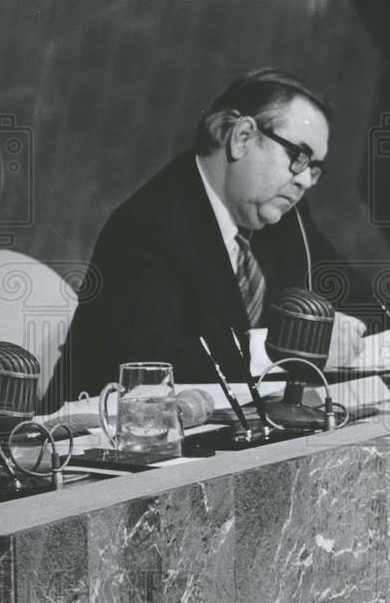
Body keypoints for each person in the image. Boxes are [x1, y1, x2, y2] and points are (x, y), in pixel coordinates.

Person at [47, 68, 367, 404]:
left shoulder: (285, 218)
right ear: (243, 137)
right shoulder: (149, 222)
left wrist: (343, 332)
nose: (304, 181)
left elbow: (363, 302)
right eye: (298, 157)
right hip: (96, 438)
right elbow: (146, 365)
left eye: (315, 168)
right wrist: (285, 348)